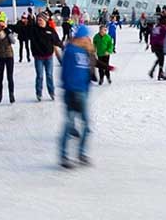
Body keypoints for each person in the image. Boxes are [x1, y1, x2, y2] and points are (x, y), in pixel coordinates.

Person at [59, 25, 112, 169]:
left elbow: (92, 65)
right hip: (74, 92)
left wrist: (107, 68)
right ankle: (65, 155)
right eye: (85, 38)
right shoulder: (71, 51)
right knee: (74, 125)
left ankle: (79, 154)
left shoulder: (84, 51)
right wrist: (72, 89)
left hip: (81, 91)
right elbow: (66, 73)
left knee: (79, 126)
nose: (87, 40)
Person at [29, 12, 62, 101]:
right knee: (39, 76)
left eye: (41, 20)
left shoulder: (50, 30)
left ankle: (51, 92)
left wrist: (63, 46)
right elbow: (22, 30)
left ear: (45, 20)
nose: (39, 22)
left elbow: (57, 41)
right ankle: (39, 93)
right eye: (38, 20)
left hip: (48, 57)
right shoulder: (33, 30)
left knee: (49, 75)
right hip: (38, 57)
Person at [148, 16, 166, 81]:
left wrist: (151, 45)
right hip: (160, 45)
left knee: (160, 58)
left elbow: (151, 36)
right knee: (161, 59)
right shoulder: (163, 28)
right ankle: (159, 73)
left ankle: (154, 71)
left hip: (154, 46)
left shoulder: (155, 28)